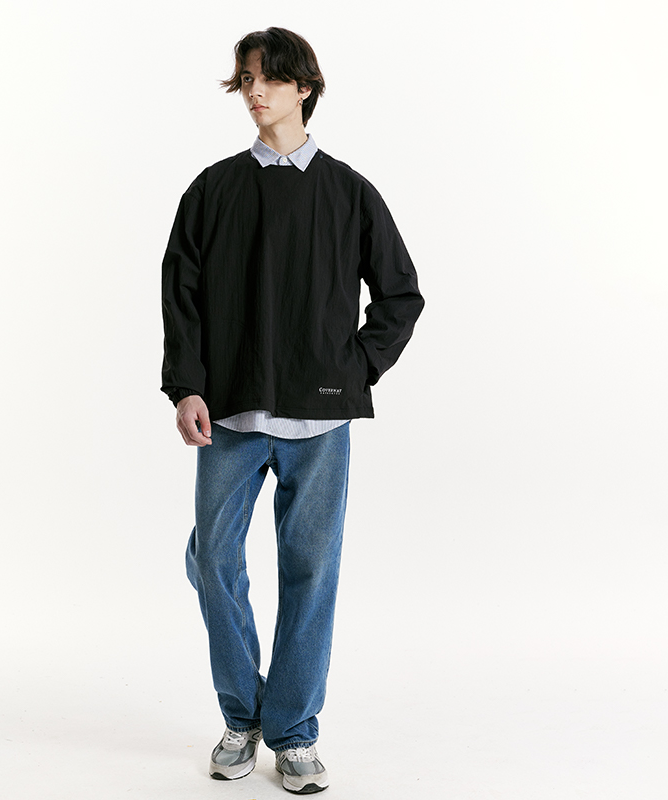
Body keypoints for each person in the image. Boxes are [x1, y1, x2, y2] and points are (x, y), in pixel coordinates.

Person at [160, 26, 424, 794]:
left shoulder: (348, 191)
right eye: (245, 78)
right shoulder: (214, 188)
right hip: (230, 417)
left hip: (321, 422)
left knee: (311, 573)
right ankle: (242, 715)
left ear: (304, 87)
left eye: (269, 78)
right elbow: (180, 295)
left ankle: (296, 732)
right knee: (213, 560)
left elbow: (401, 294)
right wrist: (187, 386)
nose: (254, 91)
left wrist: (354, 372)